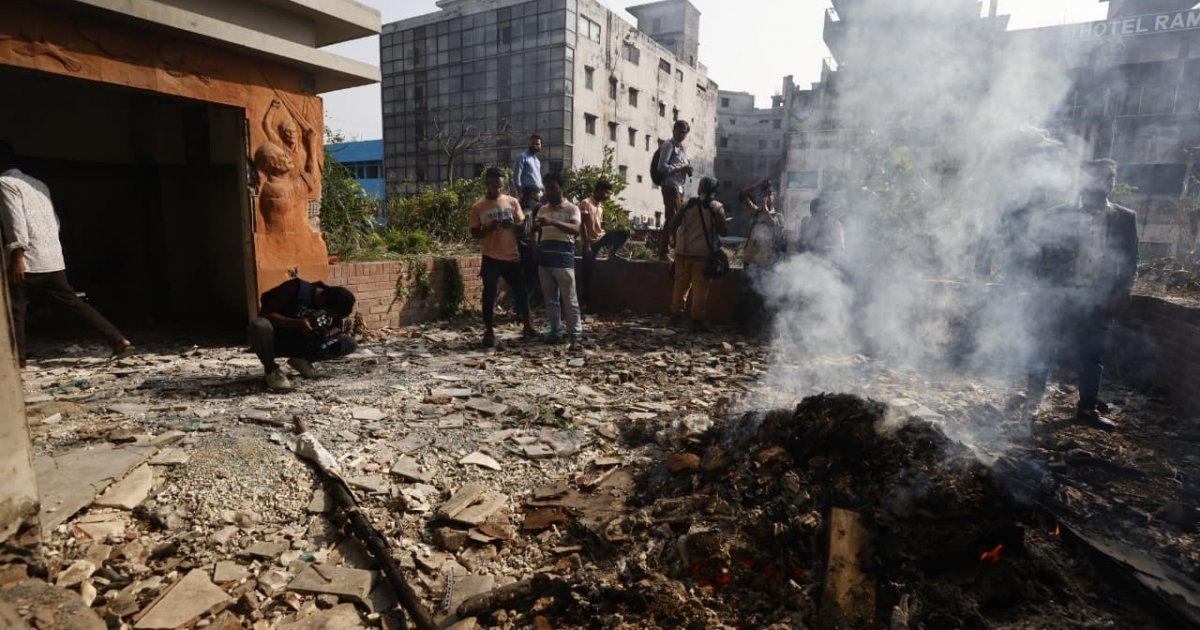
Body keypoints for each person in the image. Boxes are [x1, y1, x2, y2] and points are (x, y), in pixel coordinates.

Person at [1023, 159, 1138, 431]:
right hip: (1058, 295)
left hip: (1098, 298)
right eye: (1098, 177)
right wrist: (1040, 291)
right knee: (1044, 349)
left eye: (1109, 178)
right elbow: (1041, 254)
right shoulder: (1058, 214)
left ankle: (1087, 409)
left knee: (1092, 355)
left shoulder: (1125, 217)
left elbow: (1131, 259)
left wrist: (1122, 291)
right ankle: (1032, 403)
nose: (1104, 183)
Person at [0, 141, 133, 367]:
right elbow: (55, 222)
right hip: (52, 257)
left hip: (28, 259)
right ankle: (118, 340)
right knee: (73, 302)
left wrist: (17, 255)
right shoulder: (38, 184)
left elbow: (15, 221)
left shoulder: (5, 183)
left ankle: (17, 363)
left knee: (15, 310)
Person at [248, 278, 357, 390]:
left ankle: (302, 360)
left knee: (348, 343)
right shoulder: (295, 288)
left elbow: (338, 326)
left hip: (305, 344)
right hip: (278, 340)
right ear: (323, 299)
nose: (329, 315)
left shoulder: (335, 303)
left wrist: (327, 334)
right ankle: (271, 370)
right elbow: (266, 314)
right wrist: (297, 324)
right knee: (259, 325)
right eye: (329, 312)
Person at [469, 167, 536, 347]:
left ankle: (527, 325)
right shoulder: (478, 206)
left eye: (500, 185)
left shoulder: (512, 202)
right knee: (489, 293)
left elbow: (522, 227)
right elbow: (474, 233)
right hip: (490, 256)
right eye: (493, 185)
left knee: (521, 291)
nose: (497, 188)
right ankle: (489, 330)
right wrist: (489, 228)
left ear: (503, 185)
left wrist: (512, 225)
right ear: (486, 184)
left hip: (511, 256)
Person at [669, 176, 728, 331]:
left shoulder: (687, 204)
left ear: (699, 189)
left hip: (682, 252)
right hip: (703, 254)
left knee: (680, 285)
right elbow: (724, 232)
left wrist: (675, 241)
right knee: (700, 289)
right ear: (715, 191)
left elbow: (673, 224)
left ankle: (675, 316)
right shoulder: (717, 207)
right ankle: (697, 319)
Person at [534, 173, 583, 343]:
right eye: (547, 188)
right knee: (550, 300)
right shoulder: (543, 209)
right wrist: (535, 243)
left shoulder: (572, 209)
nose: (550, 192)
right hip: (545, 260)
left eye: (554, 188)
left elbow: (576, 229)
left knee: (569, 298)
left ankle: (575, 333)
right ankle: (555, 331)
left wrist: (553, 222)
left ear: (561, 188)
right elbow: (536, 229)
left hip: (563, 260)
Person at [736, 179, 783, 336]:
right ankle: (746, 326)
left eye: (769, 195)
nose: (766, 197)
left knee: (763, 296)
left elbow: (775, 226)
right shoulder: (755, 212)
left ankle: (763, 328)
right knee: (748, 293)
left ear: (774, 197)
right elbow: (742, 196)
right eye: (765, 195)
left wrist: (766, 210)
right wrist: (756, 186)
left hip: (766, 261)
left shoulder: (778, 216)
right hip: (751, 259)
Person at [578, 179, 630, 313]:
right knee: (587, 274)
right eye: (606, 192)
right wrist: (587, 245)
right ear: (599, 190)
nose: (607, 195)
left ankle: (611, 253)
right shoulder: (586, 203)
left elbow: (598, 226)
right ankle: (586, 304)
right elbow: (582, 225)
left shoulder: (600, 207)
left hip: (601, 238)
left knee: (624, 232)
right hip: (590, 243)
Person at [656, 120, 693, 260]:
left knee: (677, 219)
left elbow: (682, 163)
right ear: (674, 131)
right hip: (670, 186)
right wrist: (680, 168)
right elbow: (661, 167)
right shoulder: (668, 145)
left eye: (684, 133)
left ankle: (674, 249)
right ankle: (664, 252)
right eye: (680, 132)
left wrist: (687, 168)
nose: (681, 135)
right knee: (671, 218)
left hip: (679, 187)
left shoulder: (681, 147)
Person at [517, 185, 544, 309]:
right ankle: (525, 305)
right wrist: (536, 246)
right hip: (531, 245)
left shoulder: (517, 205)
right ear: (533, 194)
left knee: (522, 277)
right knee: (532, 277)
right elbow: (536, 227)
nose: (540, 195)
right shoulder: (537, 206)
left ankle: (521, 305)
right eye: (539, 193)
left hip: (517, 245)